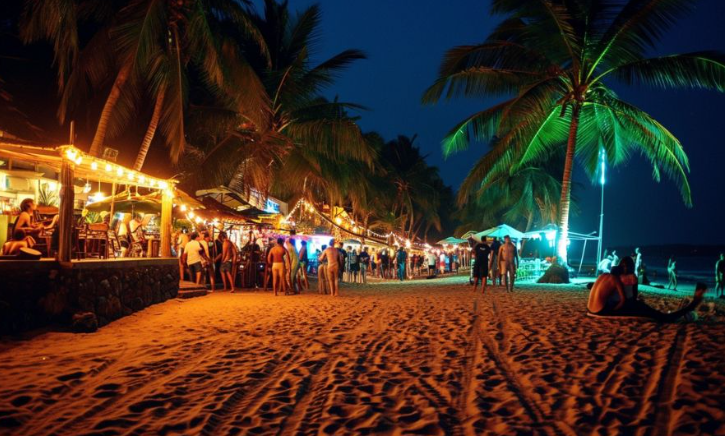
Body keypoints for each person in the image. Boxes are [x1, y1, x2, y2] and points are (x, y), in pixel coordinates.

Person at [588, 274, 706, 322]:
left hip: (590, 308)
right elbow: (623, 300)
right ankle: (693, 304)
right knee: (662, 316)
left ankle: (692, 304)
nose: (628, 282)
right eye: (628, 279)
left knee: (637, 304)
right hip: (601, 310)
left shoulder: (602, 276)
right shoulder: (615, 279)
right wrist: (615, 310)